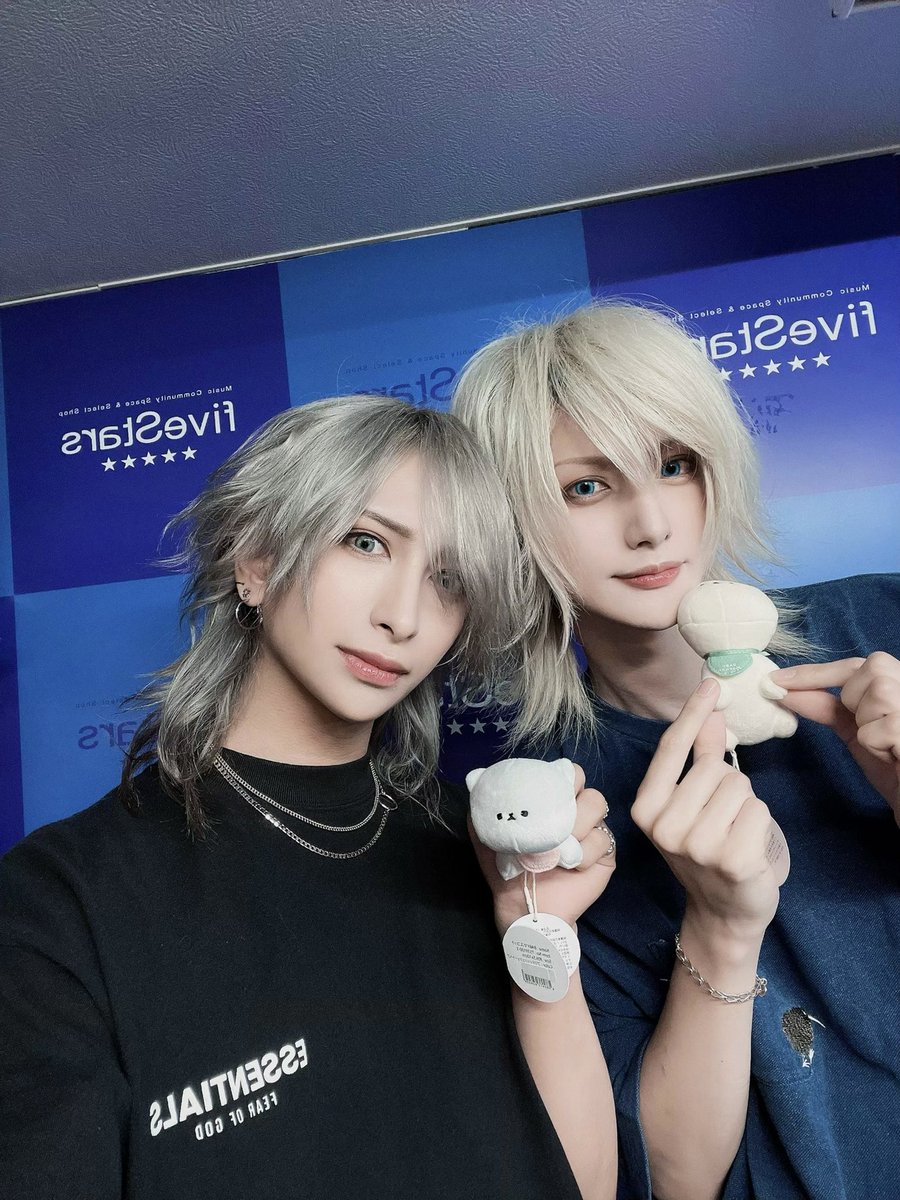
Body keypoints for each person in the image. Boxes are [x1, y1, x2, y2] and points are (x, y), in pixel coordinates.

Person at [0, 395, 619, 1200]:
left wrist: (540, 934)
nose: (403, 616)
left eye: (449, 579)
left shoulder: (478, 848)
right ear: (255, 561)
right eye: (365, 542)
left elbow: (582, 1187)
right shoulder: (57, 899)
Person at [452, 303, 900, 1200]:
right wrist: (722, 929)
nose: (652, 524)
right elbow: (671, 1178)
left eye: (673, 464)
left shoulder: (881, 627)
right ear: (511, 521)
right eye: (587, 487)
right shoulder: (551, 812)